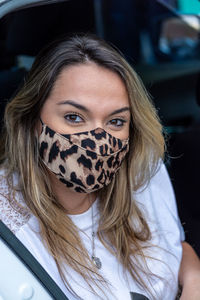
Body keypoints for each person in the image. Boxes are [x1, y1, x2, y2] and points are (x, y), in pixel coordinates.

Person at [0, 34, 199, 300]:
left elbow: (174, 248)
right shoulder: (9, 226)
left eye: (116, 122)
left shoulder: (141, 174)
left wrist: (194, 276)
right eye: (74, 117)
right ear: (32, 120)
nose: (97, 141)